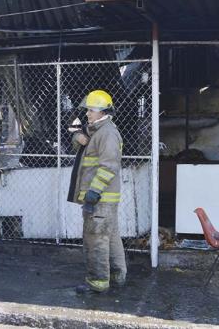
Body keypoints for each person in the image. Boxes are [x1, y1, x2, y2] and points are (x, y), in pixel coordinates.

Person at [70, 90, 126, 294]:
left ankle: (97, 281)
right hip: (104, 198)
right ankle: (117, 276)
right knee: (109, 237)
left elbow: (109, 166)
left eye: (91, 110)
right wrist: (78, 136)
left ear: (103, 111)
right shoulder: (97, 130)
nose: (87, 113)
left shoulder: (107, 133)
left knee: (96, 239)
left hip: (100, 198)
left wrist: (94, 192)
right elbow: (81, 143)